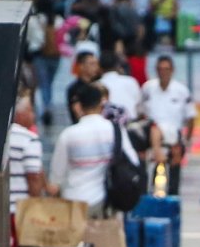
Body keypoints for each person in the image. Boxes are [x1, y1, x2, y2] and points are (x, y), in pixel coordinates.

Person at [49, 85, 138, 216]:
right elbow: (133, 161)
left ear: (79, 106)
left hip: (73, 203)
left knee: (78, 237)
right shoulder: (115, 130)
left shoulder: (68, 135)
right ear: (101, 104)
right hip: (105, 204)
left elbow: (56, 180)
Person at [142, 55, 195, 190]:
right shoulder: (148, 88)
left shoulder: (181, 91)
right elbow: (141, 111)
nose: (163, 72)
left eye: (166, 69)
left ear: (172, 70)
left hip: (174, 136)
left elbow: (191, 117)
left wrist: (187, 139)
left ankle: (173, 196)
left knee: (174, 168)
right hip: (153, 135)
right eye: (160, 69)